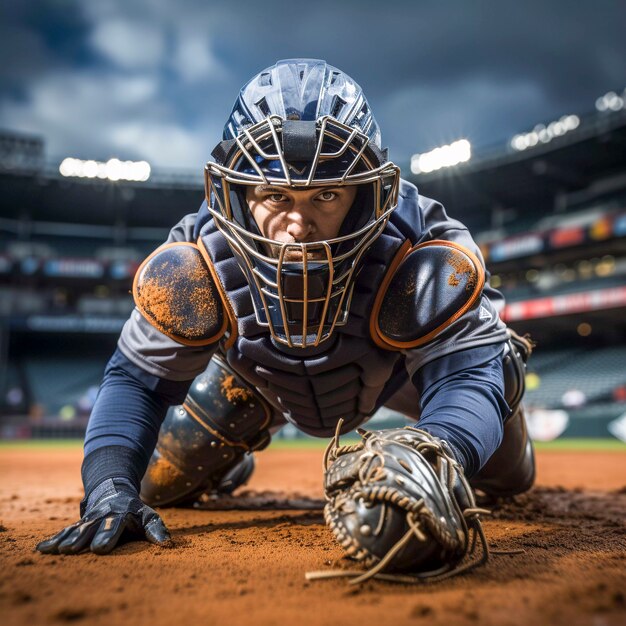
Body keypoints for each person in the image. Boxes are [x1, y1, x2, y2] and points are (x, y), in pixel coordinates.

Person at [37, 59, 534, 564]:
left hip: (399, 374)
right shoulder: (197, 258)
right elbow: (135, 382)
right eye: (274, 194)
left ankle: (490, 420)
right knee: (153, 484)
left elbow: (467, 377)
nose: (297, 225)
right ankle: (226, 463)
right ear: (235, 192)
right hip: (257, 379)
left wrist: (438, 453)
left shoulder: (421, 247)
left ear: (365, 193)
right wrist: (107, 487)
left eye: (326, 194)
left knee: (505, 453)